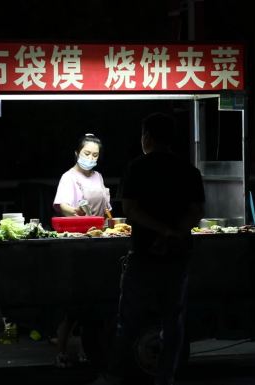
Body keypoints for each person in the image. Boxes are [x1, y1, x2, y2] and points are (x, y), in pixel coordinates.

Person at [91, 112, 205, 385]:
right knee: (172, 320)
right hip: (178, 254)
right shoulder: (189, 171)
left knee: (128, 319)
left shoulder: (137, 168)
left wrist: (160, 231)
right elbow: (197, 211)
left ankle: (114, 376)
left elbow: (131, 210)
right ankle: (165, 377)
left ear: (148, 137)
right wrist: (174, 232)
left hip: (144, 254)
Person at [51, 133, 112, 368]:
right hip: (76, 241)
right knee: (75, 305)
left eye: (95, 155)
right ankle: (62, 352)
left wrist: (112, 223)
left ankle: (89, 350)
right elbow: (61, 205)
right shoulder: (69, 177)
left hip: (99, 240)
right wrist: (74, 212)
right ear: (77, 153)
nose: (90, 158)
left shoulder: (98, 176)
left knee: (96, 303)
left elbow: (106, 208)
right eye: (86, 153)